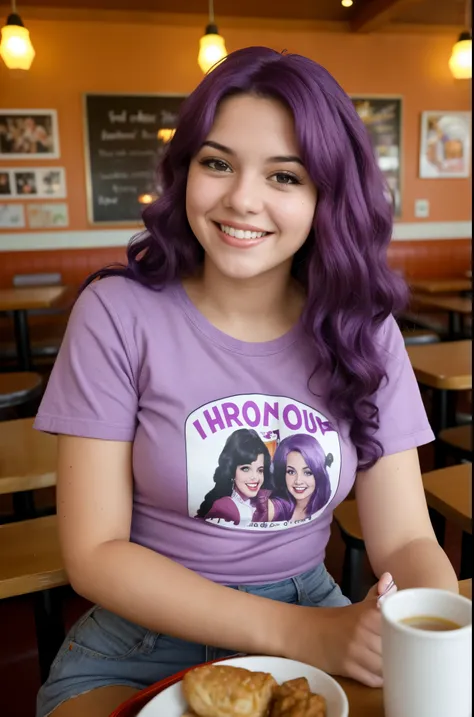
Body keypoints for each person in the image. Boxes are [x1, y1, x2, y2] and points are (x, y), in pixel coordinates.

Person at [34, 46, 458, 717]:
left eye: (285, 176)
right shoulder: (117, 312)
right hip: (140, 637)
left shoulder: (363, 330)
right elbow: (94, 551)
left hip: (314, 617)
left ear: (327, 193)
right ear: (186, 171)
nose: (241, 198)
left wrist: (435, 632)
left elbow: (406, 537)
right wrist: (302, 634)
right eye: (217, 162)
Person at [196, 428, 272, 525]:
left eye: (260, 470)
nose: (255, 477)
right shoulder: (224, 507)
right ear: (231, 471)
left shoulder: (265, 502)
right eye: (246, 469)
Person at [270, 434, 332, 522]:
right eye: (291, 472)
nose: (298, 481)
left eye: (307, 472)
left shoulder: (324, 506)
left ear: (319, 473)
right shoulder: (276, 507)